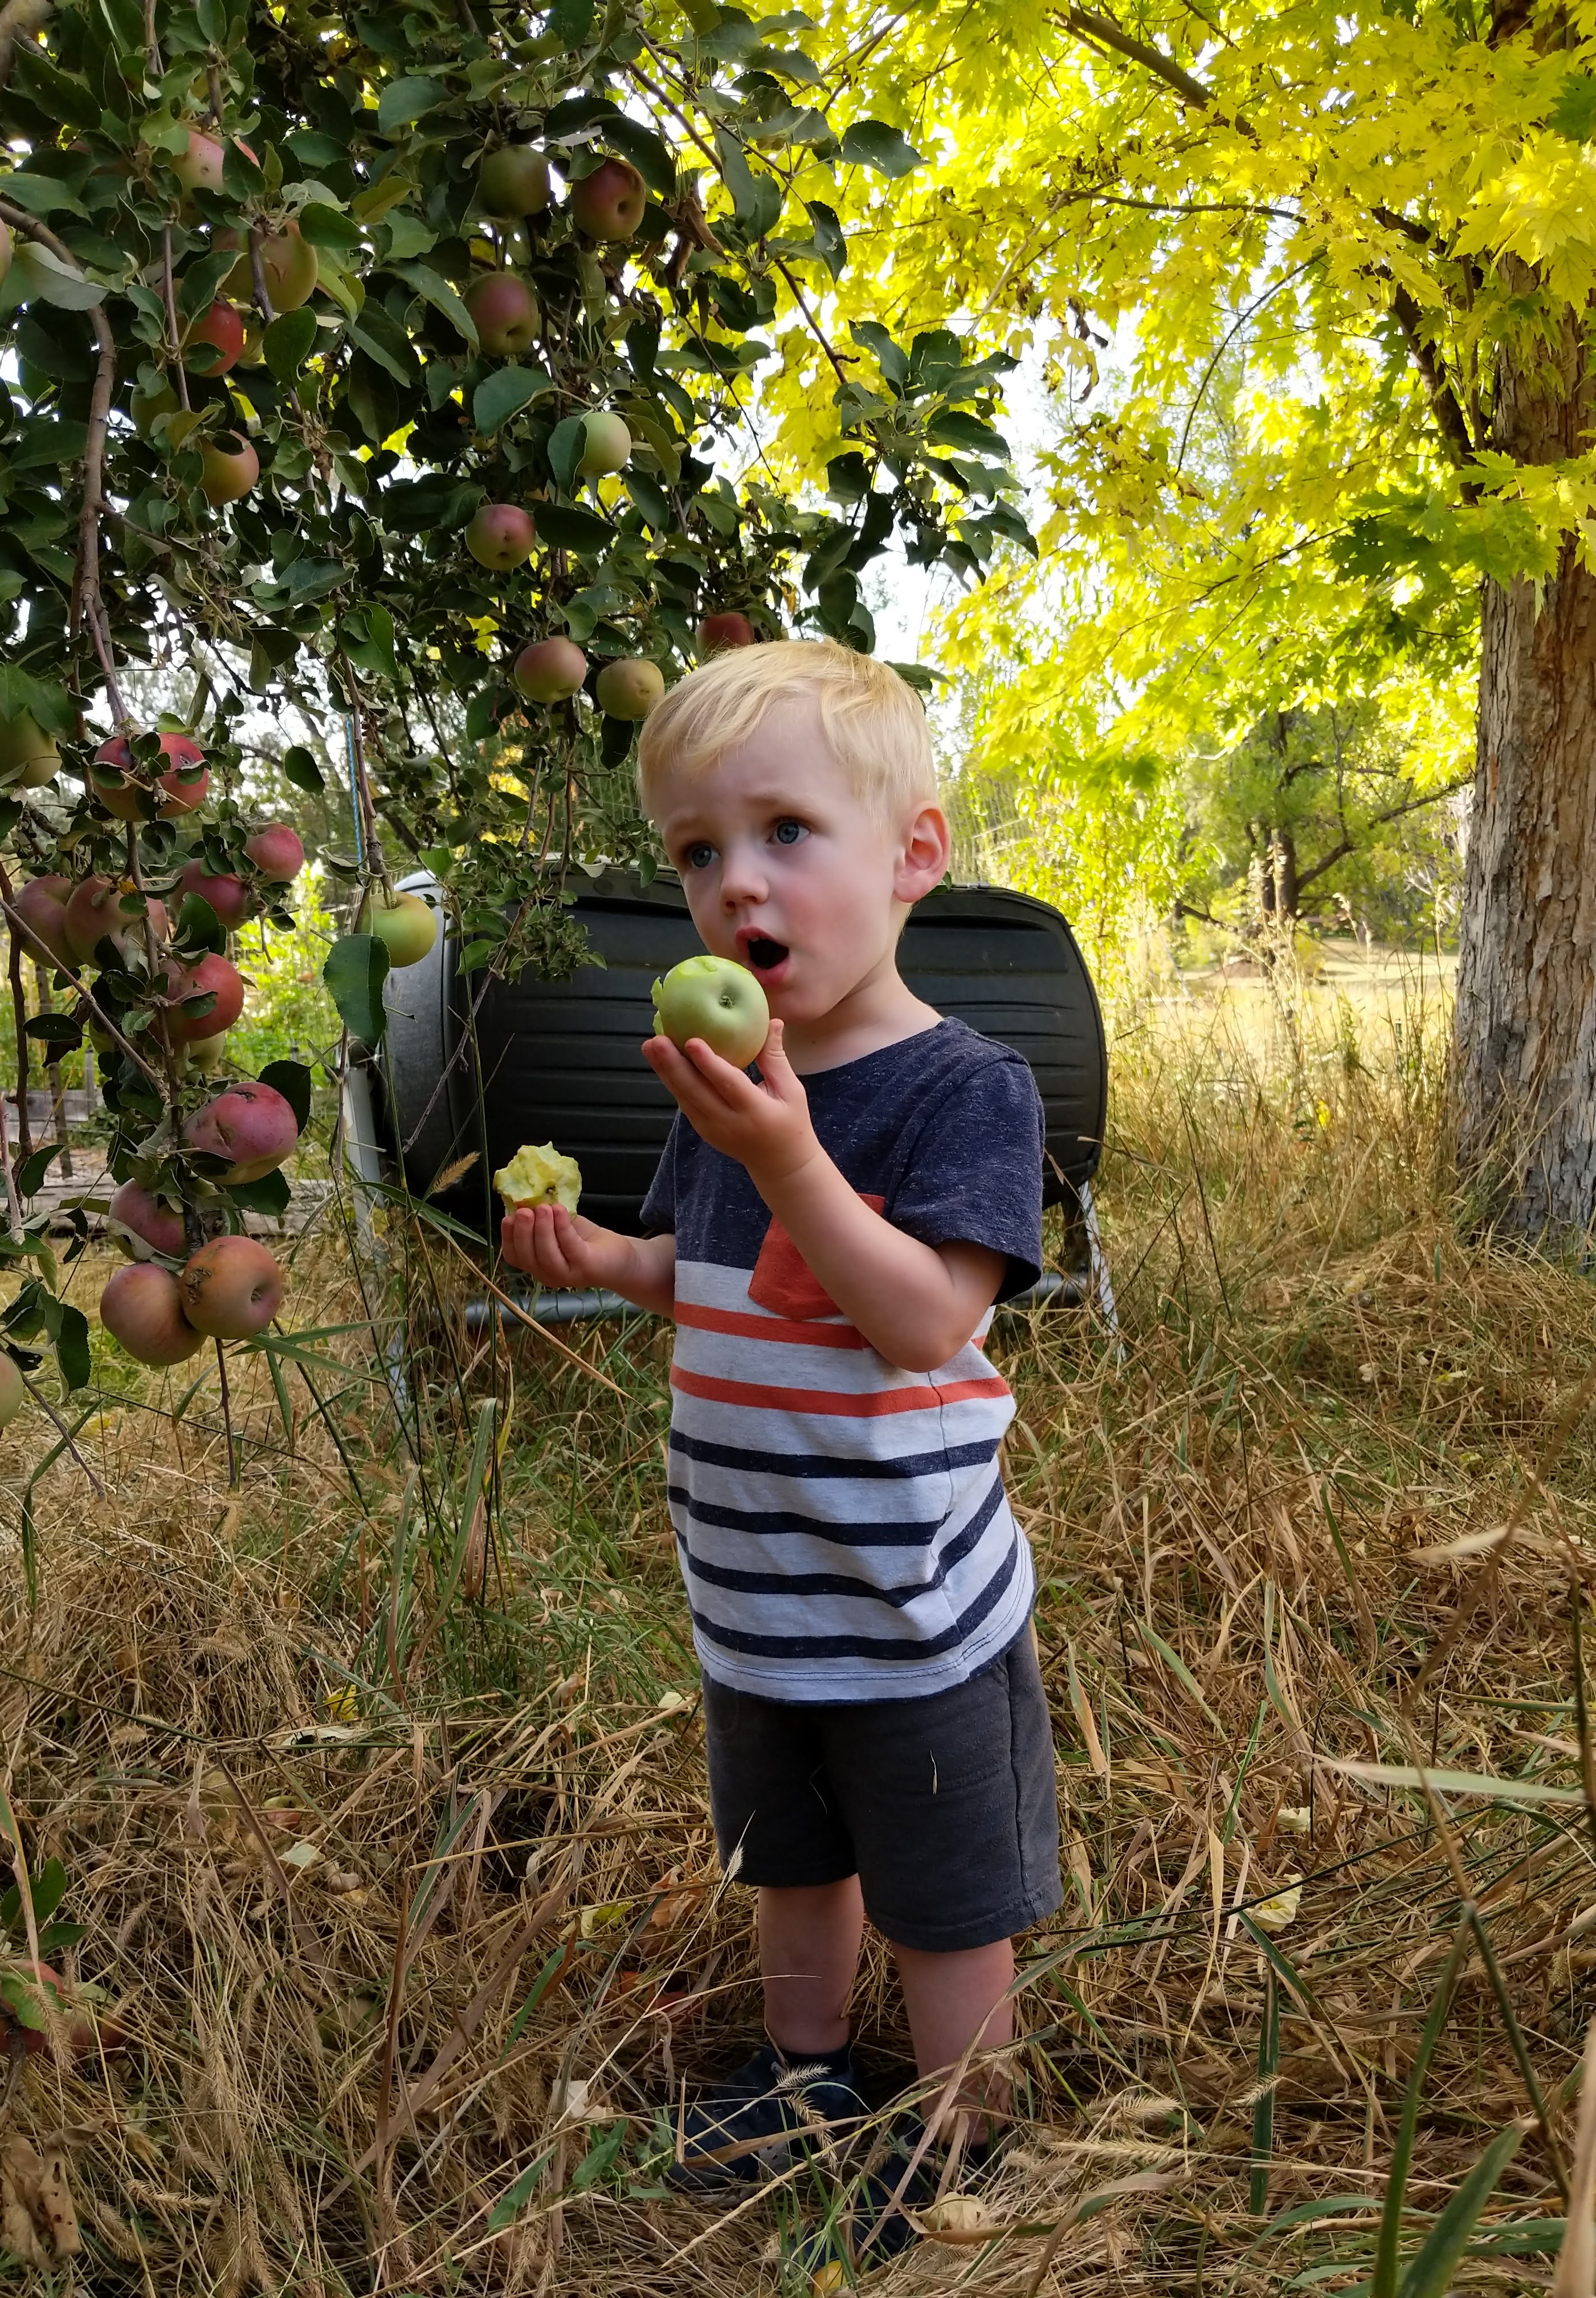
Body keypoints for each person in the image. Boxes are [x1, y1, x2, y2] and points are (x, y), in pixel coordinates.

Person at [501, 639, 1061, 2258]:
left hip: (914, 1615)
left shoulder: (967, 1089)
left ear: (913, 856)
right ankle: (802, 2075)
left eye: (785, 833)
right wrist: (609, 1260)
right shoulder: (731, 1085)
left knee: (947, 1897)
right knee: (787, 1860)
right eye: (697, 852)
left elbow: (926, 1322)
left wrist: (796, 1151)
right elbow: (715, 1264)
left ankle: (961, 2137)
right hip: (755, 1600)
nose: (735, 882)